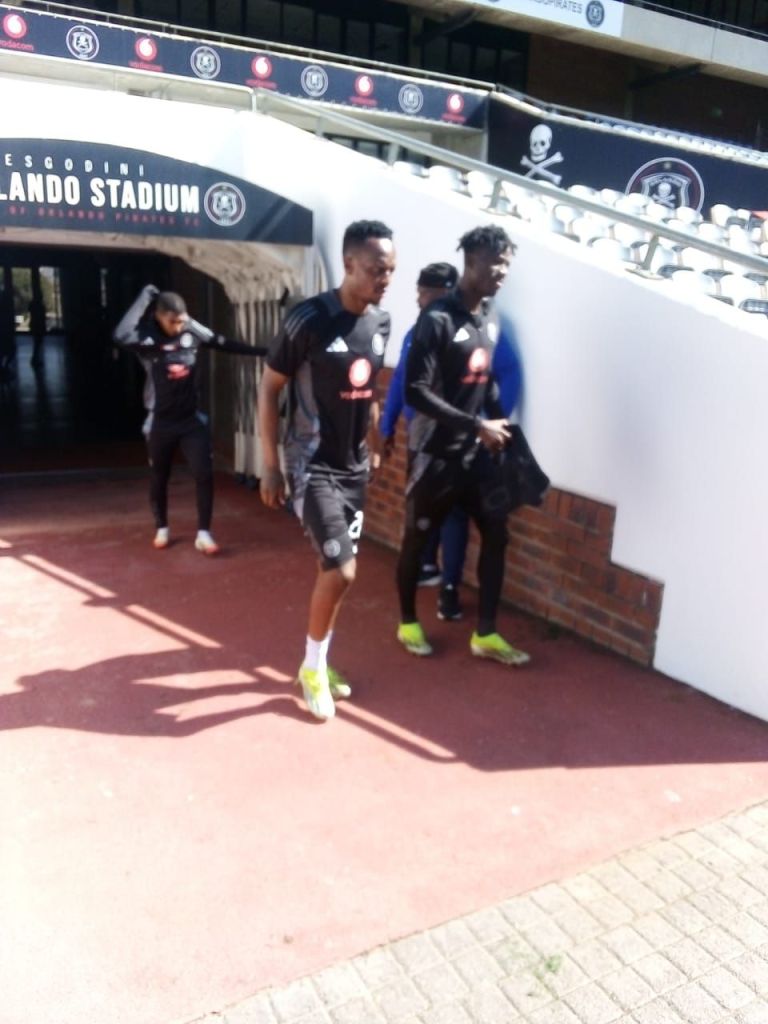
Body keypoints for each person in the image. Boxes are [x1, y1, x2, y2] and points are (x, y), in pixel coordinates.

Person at [259, 220, 395, 721]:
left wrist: (374, 442)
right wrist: (270, 466)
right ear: (349, 264)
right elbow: (268, 388)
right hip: (310, 464)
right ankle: (313, 670)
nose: (385, 279)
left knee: (334, 574)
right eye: (377, 269)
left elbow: (370, 388)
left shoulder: (381, 323)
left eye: (391, 270)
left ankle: (316, 661)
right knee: (342, 569)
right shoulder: (309, 318)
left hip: (353, 468)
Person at [395, 223, 530, 666]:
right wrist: (476, 424)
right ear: (471, 261)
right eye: (495, 264)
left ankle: (485, 634)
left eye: (507, 265)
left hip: (475, 455)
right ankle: (408, 622)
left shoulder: (489, 316)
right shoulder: (436, 319)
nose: (502, 272)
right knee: (417, 538)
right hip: (434, 452)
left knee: (497, 534)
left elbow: (485, 380)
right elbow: (415, 390)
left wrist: (501, 425)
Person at [113, 286, 265, 554]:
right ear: (159, 316)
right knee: (160, 476)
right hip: (160, 422)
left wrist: (263, 352)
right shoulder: (146, 338)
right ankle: (162, 527)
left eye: (182, 320)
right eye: (173, 321)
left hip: (190, 421)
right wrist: (145, 297)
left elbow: (222, 342)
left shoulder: (192, 331)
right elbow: (121, 334)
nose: (179, 326)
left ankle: (204, 534)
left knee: (203, 473)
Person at [381, 261, 458, 587]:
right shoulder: (416, 332)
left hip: (452, 439)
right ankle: (426, 564)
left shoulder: (469, 329)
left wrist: (483, 422)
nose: (419, 299)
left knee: (451, 511)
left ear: (444, 293)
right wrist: (387, 426)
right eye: (419, 291)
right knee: (420, 502)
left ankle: (449, 587)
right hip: (419, 435)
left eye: (425, 292)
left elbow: (505, 373)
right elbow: (400, 378)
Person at [28, 293, 47, 368]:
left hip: (34, 325)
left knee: (36, 343)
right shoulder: (40, 306)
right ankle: (35, 359)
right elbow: (42, 317)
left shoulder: (32, 305)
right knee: (38, 343)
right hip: (38, 326)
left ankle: (35, 359)